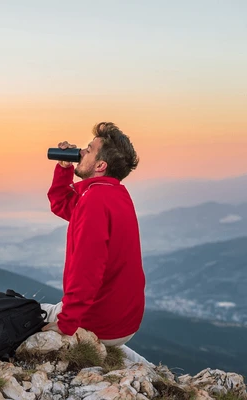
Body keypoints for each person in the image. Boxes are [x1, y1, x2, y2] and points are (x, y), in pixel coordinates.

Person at [41, 121, 152, 365]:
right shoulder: (113, 194)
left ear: (100, 165)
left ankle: (115, 353)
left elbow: (87, 271)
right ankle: (133, 362)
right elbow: (61, 204)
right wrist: (64, 168)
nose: (80, 152)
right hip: (123, 320)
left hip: (102, 322)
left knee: (28, 314)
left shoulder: (94, 202)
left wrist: (65, 325)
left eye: (88, 150)